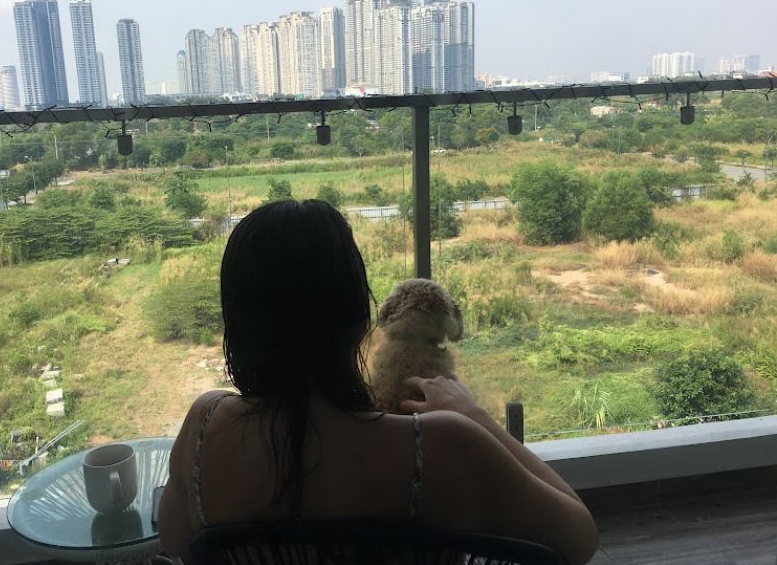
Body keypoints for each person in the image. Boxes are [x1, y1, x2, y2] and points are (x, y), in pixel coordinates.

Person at [158, 199, 598, 564]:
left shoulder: (205, 427)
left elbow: (177, 542)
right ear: (359, 319)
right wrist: (476, 416)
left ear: (239, 325)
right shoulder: (441, 443)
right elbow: (579, 538)